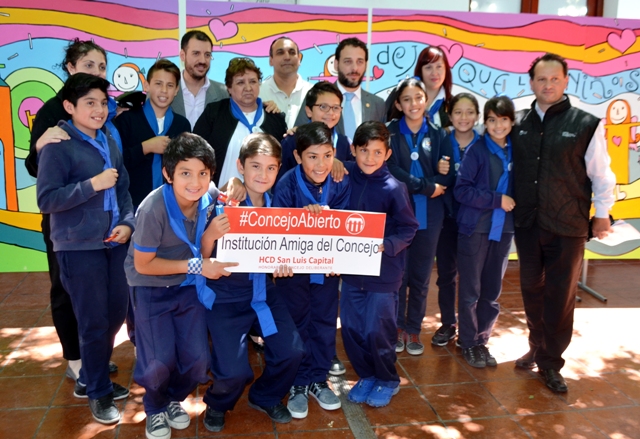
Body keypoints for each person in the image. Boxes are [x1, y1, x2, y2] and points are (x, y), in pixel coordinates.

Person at [512, 53, 615, 393]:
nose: (548, 85)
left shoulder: (586, 124)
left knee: (560, 295)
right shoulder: (518, 122)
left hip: (568, 226)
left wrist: (602, 215)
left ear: (566, 81)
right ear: (531, 83)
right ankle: (537, 346)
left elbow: (602, 175)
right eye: (541, 79)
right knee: (531, 290)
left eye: (555, 79)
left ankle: (552, 364)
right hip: (528, 223)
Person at [124, 132, 237, 439]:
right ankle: (155, 406)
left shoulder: (208, 194)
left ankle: (173, 398)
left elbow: (225, 193)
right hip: (150, 286)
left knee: (199, 361)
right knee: (159, 362)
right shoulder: (152, 210)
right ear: (168, 173)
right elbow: (142, 265)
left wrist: (234, 186)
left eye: (203, 173)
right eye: (185, 173)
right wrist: (199, 265)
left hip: (187, 286)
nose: (195, 182)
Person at [36, 73, 134, 424]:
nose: (99, 109)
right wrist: (91, 185)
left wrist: (127, 223)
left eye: (103, 103)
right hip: (78, 247)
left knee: (114, 315)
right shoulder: (58, 145)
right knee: (93, 321)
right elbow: (47, 198)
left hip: (114, 243)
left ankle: (94, 377)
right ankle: (97, 391)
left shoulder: (108, 138)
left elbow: (123, 188)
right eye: (90, 103)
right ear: (69, 107)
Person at [24, 38, 121, 384]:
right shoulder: (54, 113)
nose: (95, 72)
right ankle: (77, 360)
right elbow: (40, 173)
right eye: (88, 65)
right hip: (67, 227)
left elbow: (115, 176)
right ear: (70, 69)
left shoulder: (106, 122)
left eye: (100, 67)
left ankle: (93, 354)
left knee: (105, 304)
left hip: (105, 229)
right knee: (66, 291)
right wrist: (41, 144)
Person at [200, 133, 305, 432]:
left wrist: (284, 265)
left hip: (262, 295)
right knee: (233, 373)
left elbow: (280, 255)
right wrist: (210, 236)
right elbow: (199, 255)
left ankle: (265, 395)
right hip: (224, 298)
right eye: (255, 166)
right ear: (240, 167)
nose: (263, 174)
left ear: (278, 169)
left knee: (292, 352)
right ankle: (218, 403)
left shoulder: (277, 208)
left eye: (271, 168)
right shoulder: (223, 200)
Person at [272, 122, 350, 419]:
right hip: (293, 273)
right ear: (298, 156)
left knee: (324, 321)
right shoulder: (287, 184)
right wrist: (301, 219)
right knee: (298, 322)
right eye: (312, 156)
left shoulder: (341, 182)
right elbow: (278, 228)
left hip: (327, 271)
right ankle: (298, 383)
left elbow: (346, 226)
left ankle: (318, 379)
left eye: (327, 155)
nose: (321, 164)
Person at [341, 121, 418, 407]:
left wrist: (387, 245)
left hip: (384, 276)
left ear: (387, 154)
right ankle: (367, 375)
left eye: (377, 152)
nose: (370, 158)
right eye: (364, 151)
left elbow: (409, 228)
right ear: (353, 151)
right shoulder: (345, 177)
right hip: (351, 275)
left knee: (378, 332)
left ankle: (387, 379)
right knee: (350, 330)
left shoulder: (394, 188)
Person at [386, 78, 454, 356]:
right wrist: (427, 186)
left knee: (422, 274)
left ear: (425, 100)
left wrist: (436, 182)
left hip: (430, 213)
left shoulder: (439, 135)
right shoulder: (389, 132)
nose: (413, 104)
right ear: (399, 104)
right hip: (397, 211)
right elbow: (391, 169)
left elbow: (447, 174)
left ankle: (414, 326)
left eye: (418, 98)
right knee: (397, 274)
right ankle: (397, 326)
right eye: (407, 99)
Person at [454, 96, 516, 368]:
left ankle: (482, 340)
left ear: (511, 122)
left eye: (503, 119)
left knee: (492, 290)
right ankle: (467, 341)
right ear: (485, 122)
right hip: (475, 229)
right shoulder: (477, 151)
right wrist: (496, 199)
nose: (498, 125)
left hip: (504, 230)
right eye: (492, 120)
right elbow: (461, 189)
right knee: (471, 291)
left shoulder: (517, 151)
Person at [431, 93, 481, 347]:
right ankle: (448, 322)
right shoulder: (441, 140)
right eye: (458, 112)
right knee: (447, 274)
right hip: (447, 217)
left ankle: (472, 326)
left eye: (469, 112)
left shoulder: (484, 143)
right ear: (449, 116)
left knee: (473, 276)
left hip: (476, 219)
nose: (464, 117)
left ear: (477, 116)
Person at [193, 57, 288, 187]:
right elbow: (195, 155)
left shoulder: (274, 117)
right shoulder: (214, 113)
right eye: (240, 82)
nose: (248, 87)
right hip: (221, 199)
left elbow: (284, 161)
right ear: (229, 88)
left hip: (265, 202)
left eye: (253, 81)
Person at [115, 59, 191, 209]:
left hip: (171, 206)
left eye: (170, 85)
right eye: (158, 84)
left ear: (176, 90)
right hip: (131, 204)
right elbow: (116, 163)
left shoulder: (182, 124)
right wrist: (145, 147)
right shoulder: (127, 120)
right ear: (146, 85)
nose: (164, 90)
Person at [294, 37, 385, 142]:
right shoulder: (318, 97)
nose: (354, 68)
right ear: (336, 64)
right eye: (348, 61)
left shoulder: (378, 104)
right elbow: (299, 136)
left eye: (360, 62)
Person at [276, 81, 352, 188]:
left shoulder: (345, 143)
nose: (330, 113)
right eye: (323, 107)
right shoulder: (292, 141)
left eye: (336, 108)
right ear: (309, 111)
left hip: (336, 204)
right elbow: (280, 184)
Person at [385, 46, 453, 129]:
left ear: (446, 69)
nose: (434, 73)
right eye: (428, 67)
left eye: (439, 67)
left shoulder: (452, 103)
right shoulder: (400, 93)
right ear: (420, 71)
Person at [171, 30, 228, 128]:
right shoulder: (166, 91)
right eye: (196, 53)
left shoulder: (224, 93)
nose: (202, 60)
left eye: (207, 55)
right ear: (182, 56)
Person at [260, 36, 312, 129]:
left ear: (299, 59)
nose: (287, 57)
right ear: (271, 60)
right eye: (280, 53)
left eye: (292, 52)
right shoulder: (258, 93)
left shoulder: (313, 92)